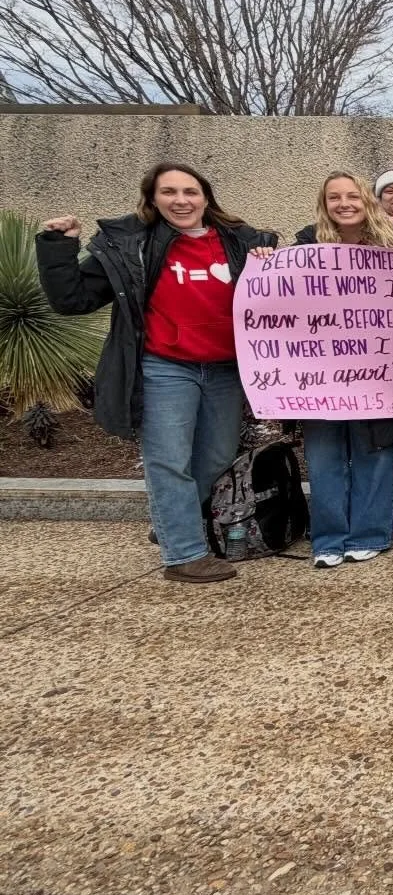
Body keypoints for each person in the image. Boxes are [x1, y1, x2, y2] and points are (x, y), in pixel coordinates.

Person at [35, 164, 277, 583]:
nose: (181, 200)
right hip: (164, 366)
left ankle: (171, 520)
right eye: (169, 192)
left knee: (217, 458)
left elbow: (275, 302)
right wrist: (59, 246)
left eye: (190, 191)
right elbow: (72, 300)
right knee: (169, 461)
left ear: (206, 197)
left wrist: (268, 261)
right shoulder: (131, 245)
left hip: (225, 368)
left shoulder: (240, 241)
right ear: (152, 198)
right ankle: (183, 553)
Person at [296, 172, 393, 568]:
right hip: (320, 379)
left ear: (366, 201)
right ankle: (328, 539)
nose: (344, 204)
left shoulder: (392, 252)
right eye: (335, 197)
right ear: (324, 203)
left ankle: (369, 534)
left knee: (376, 455)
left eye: (352, 196)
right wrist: (265, 259)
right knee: (323, 458)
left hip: (377, 376)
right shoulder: (303, 249)